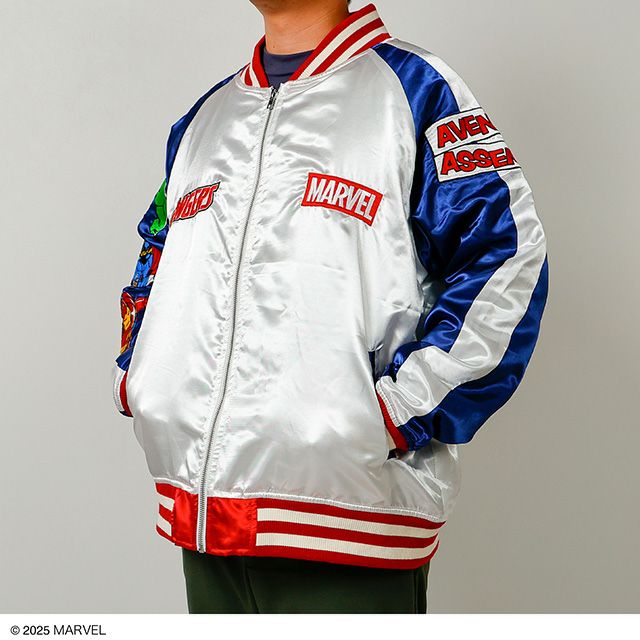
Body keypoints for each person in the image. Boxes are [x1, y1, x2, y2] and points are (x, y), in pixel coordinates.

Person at [112, 0, 548, 614]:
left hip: (350, 521)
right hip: (201, 513)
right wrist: (141, 379)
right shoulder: (206, 118)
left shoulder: (417, 93)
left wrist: (395, 411)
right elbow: (156, 254)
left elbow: (507, 257)